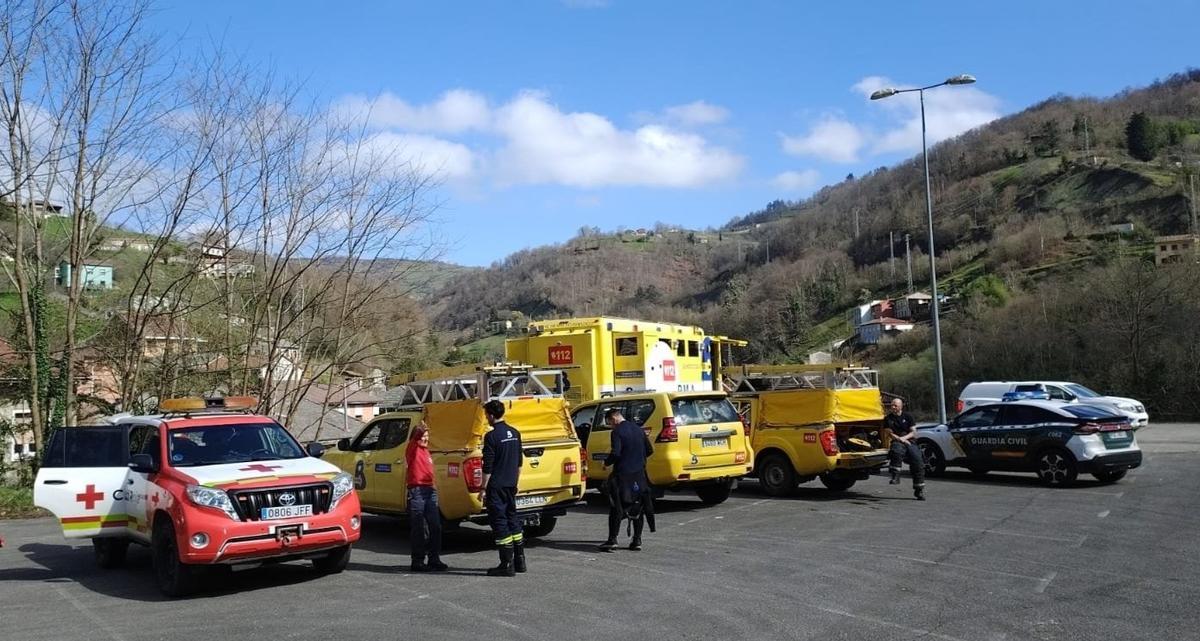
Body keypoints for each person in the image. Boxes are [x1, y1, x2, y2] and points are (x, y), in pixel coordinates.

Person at [598, 408, 655, 552]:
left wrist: (606, 463)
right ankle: (636, 540)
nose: (611, 426)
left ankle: (612, 540)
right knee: (638, 507)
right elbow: (649, 450)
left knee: (616, 507)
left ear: (614, 419)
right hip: (640, 475)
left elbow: (616, 453)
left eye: (610, 423)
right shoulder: (638, 429)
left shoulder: (617, 432)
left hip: (623, 476)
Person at [480, 399, 524, 577]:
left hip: (496, 486)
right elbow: (519, 462)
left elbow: (488, 466)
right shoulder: (515, 432)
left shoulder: (491, 436)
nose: (486, 418)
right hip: (511, 484)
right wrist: (516, 482)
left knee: (500, 522)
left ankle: (506, 564)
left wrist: (483, 488)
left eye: (486, 415)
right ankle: (520, 561)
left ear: (491, 415)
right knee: (513, 519)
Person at [406, 422, 447, 572]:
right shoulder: (413, 448)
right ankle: (417, 561)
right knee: (419, 527)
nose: (425, 439)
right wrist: (422, 427)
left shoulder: (426, 451)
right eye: (423, 436)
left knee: (435, 526)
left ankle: (434, 559)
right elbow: (417, 435)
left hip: (430, 491)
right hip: (417, 491)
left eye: (427, 436)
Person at [884, 398, 926, 500]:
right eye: (892, 405)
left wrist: (905, 438)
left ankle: (919, 490)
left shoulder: (908, 416)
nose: (893, 407)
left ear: (901, 406)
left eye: (895, 405)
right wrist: (900, 439)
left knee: (918, 462)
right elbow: (889, 433)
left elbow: (913, 432)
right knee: (896, 451)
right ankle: (895, 476)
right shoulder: (888, 418)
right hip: (897, 440)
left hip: (909, 441)